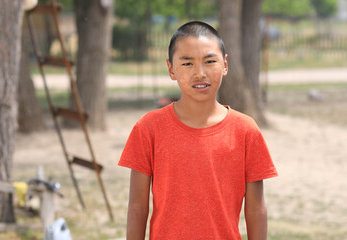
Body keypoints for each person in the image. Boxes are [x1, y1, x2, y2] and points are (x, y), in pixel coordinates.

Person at [118, 21, 278, 240]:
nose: (200, 73)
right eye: (187, 64)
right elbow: (137, 207)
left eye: (210, 61)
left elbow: (256, 210)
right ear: (171, 69)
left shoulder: (246, 130)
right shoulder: (148, 128)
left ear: (225, 65)